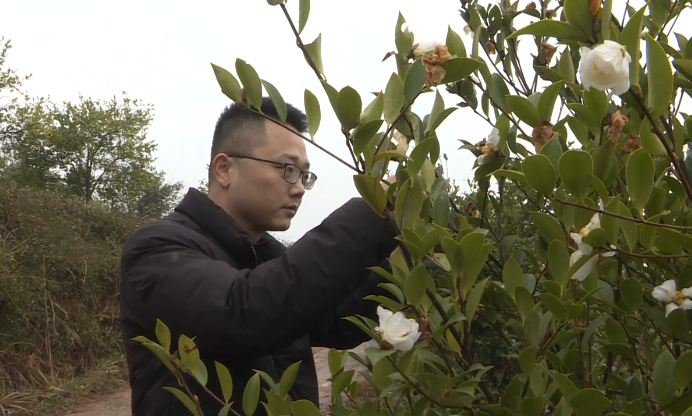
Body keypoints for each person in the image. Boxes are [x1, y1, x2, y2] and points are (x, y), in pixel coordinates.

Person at [119, 97, 399, 415]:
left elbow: (342, 322)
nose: (299, 188)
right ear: (224, 169)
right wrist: (373, 212)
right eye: (288, 169)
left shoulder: (266, 257)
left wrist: (403, 250)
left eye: (305, 175)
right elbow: (244, 314)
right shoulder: (156, 248)